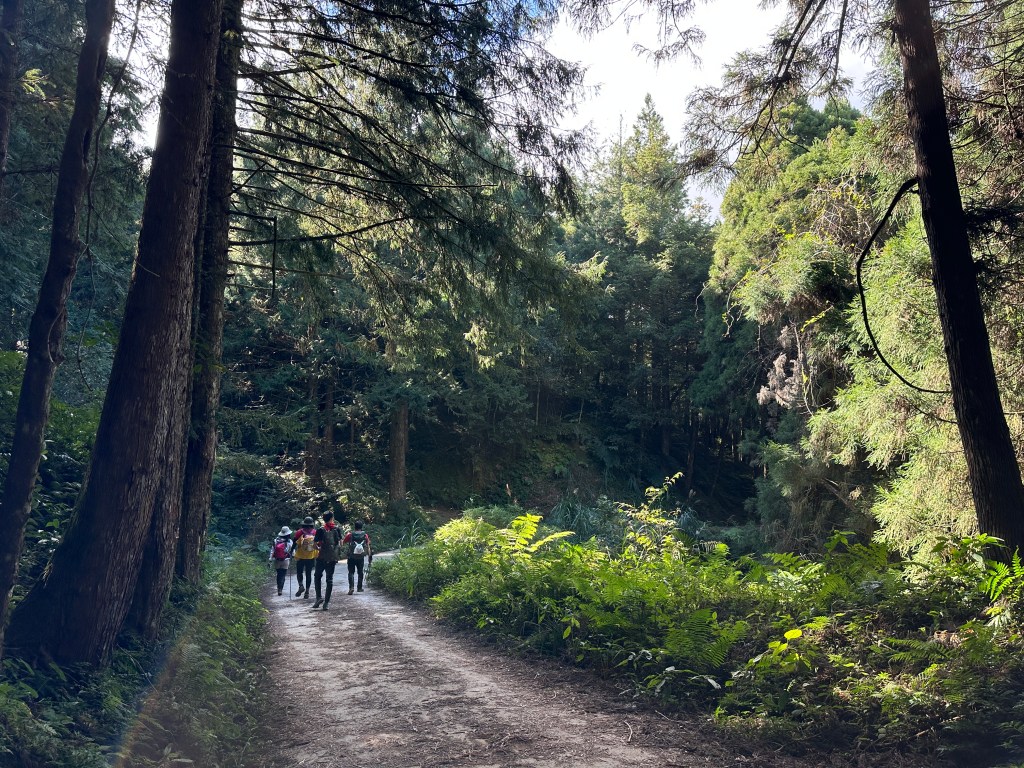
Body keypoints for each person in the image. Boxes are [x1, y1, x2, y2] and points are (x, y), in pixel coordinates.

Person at [312, 511, 343, 610]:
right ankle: (326, 603)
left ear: (323, 519)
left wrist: (319, 548)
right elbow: (341, 544)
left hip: (321, 557)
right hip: (332, 558)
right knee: (329, 579)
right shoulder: (336, 529)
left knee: (317, 576)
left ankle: (318, 597)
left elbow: (314, 545)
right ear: (332, 518)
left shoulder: (320, 530)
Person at [342, 519, 372, 595]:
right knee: (360, 572)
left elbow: (343, 542)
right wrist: (369, 556)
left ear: (354, 527)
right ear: (361, 527)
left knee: (351, 572)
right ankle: (359, 587)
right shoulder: (365, 535)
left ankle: (351, 587)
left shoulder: (350, 535)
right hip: (361, 556)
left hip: (351, 556)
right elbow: (368, 546)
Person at [292, 516, 318, 598]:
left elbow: (294, 543)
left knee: (299, 572)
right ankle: (307, 591)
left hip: (300, 556)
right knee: (308, 573)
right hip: (311, 556)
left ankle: (301, 585)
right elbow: (318, 543)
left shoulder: (299, 532)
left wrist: (291, 551)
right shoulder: (315, 532)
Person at [269, 525, 294, 596]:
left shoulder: (276, 540)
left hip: (277, 560)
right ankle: (280, 589)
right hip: (285, 560)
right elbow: (292, 551)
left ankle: (278, 588)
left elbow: (272, 550)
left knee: (279, 574)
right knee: (283, 574)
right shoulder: (289, 541)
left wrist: (270, 559)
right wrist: (293, 556)